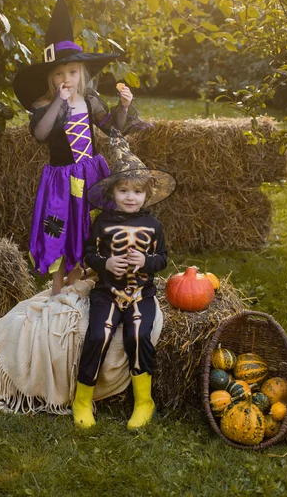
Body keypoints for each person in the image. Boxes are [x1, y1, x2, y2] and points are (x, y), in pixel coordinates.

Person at [13, 0, 148, 295]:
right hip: (62, 179)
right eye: (59, 73)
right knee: (62, 229)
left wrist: (124, 107)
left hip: (90, 173)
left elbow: (112, 128)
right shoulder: (45, 104)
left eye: (72, 72)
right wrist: (58, 104)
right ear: (50, 76)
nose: (67, 78)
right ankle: (59, 288)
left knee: (90, 225)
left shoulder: (88, 100)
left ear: (81, 73)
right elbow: (41, 134)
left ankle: (88, 277)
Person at [72, 131, 176, 429]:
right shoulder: (102, 221)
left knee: (138, 335)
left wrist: (146, 261)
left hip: (141, 293)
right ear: (113, 193)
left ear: (147, 195)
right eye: (123, 191)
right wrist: (107, 263)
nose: (130, 197)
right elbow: (89, 255)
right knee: (98, 335)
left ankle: (144, 402)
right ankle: (82, 399)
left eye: (137, 192)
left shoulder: (153, 225)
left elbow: (163, 259)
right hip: (107, 291)